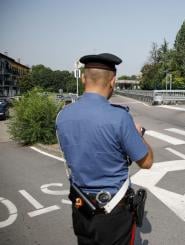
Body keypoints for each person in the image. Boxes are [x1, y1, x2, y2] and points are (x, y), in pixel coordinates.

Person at [56, 53, 154, 245]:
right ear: (113, 81)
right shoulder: (119, 118)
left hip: (80, 208)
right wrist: (139, 136)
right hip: (113, 212)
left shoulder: (62, 116)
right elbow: (147, 162)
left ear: (84, 78)